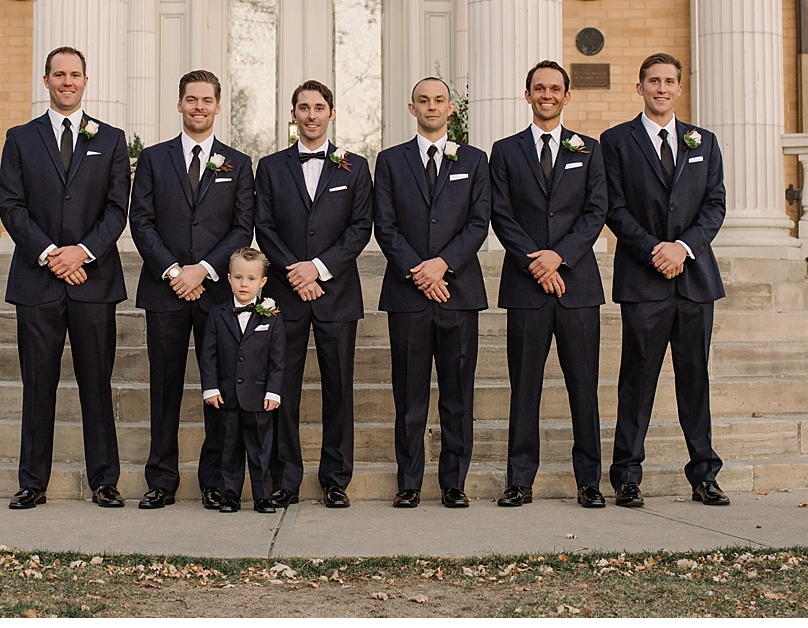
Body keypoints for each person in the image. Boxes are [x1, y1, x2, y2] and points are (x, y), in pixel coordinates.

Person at [0, 46, 130, 511]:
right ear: (47, 80)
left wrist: (83, 252)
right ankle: (32, 483)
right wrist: (51, 254)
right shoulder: (20, 138)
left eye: (75, 75)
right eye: (59, 74)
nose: (67, 81)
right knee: (38, 385)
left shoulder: (111, 139)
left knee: (97, 383)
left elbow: (117, 209)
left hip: (94, 282)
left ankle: (104, 481)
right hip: (37, 282)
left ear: (85, 81)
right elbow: (10, 204)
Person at [600, 53, 730, 508]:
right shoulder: (615, 141)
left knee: (695, 377)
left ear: (679, 88)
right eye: (653, 81)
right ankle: (627, 476)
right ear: (640, 88)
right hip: (643, 279)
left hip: (695, 279)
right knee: (637, 379)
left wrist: (684, 248)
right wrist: (655, 249)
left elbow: (715, 205)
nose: (661, 88)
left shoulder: (704, 142)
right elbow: (613, 207)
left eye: (669, 81)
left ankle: (704, 475)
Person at [128, 69, 255, 510]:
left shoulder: (238, 163)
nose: (199, 107)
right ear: (179, 104)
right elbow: (139, 221)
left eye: (207, 100)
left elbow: (242, 226)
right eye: (191, 99)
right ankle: (161, 479)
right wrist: (172, 271)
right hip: (164, 291)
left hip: (218, 294)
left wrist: (202, 269)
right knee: (164, 388)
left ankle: (217, 481)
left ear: (218, 106)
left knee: (218, 387)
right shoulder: (153, 159)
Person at [489, 60, 609, 510]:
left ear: (566, 96)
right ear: (527, 95)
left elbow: (596, 211)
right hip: (525, 287)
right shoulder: (505, 150)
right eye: (539, 88)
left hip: (577, 287)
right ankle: (519, 481)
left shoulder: (589, 149)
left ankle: (589, 482)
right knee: (525, 387)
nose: (547, 94)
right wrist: (535, 262)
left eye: (555, 88)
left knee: (584, 386)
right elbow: (501, 213)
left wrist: (560, 257)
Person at [254, 80, 373, 509]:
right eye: (303, 107)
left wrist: (319, 269)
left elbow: (361, 227)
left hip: (336, 294)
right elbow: (263, 226)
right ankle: (284, 478)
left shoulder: (355, 167)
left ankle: (336, 478)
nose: (310, 115)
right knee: (282, 388)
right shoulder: (269, 166)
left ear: (331, 114)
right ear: (293, 114)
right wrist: (294, 270)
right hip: (285, 295)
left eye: (319, 107)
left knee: (338, 389)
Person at [373, 77, 490, 509]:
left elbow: (479, 222)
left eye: (439, 100)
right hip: (407, 294)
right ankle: (409, 483)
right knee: (409, 394)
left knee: (458, 394)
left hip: (458, 292)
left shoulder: (475, 160)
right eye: (423, 100)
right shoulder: (390, 160)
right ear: (412, 108)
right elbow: (383, 225)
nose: (432, 106)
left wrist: (443, 265)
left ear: (451, 109)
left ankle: (453, 482)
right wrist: (417, 270)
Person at [199, 247, 287, 513]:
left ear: (262, 282)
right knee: (228, 448)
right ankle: (229, 495)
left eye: (250, 278)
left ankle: (261, 495)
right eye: (238, 277)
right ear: (228, 278)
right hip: (226, 395)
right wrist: (210, 388)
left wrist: (273, 392)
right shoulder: (217, 314)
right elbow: (208, 355)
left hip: (258, 396)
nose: (244, 284)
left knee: (260, 449)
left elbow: (277, 360)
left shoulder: (271, 317)